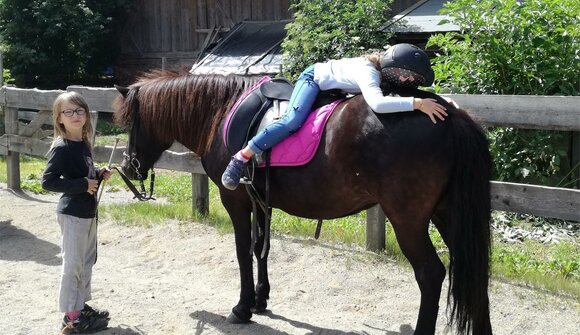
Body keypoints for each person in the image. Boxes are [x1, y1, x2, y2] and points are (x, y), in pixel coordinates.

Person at [221, 43, 448, 190]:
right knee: (293, 121)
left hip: (334, 87)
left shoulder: (381, 71)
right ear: (392, 67)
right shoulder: (368, 72)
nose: (408, 81)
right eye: (405, 75)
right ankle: (242, 157)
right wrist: (416, 103)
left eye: (413, 78)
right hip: (313, 78)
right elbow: (378, 104)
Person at [41, 92, 112, 334]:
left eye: (79, 110)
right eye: (68, 112)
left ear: (86, 115)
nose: (75, 115)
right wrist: (83, 184)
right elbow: (48, 182)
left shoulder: (83, 143)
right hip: (72, 214)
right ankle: (70, 318)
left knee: (86, 262)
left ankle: (80, 307)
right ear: (59, 118)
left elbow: (84, 176)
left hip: (88, 213)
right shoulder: (61, 147)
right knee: (72, 266)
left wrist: (98, 174)